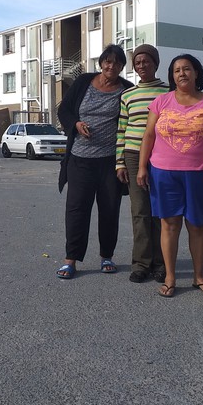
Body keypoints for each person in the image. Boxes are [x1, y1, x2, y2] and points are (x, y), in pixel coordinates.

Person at [137, 54, 203, 298]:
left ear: (197, 73)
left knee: (197, 225)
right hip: (163, 173)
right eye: (176, 70)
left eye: (187, 69)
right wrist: (143, 167)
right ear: (171, 76)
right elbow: (149, 136)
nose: (182, 73)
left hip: (198, 173)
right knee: (169, 225)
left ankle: (199, 277)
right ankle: (171, 277)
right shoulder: (161, 102)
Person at [56, 44, 133, 279]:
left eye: (117, 62)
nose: (112, 66)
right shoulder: (83, 83)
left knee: (110, 209)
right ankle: (71, 260)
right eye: (108, 61)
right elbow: (65, 111)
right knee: (77, 209)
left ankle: (106, 256)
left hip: (110, 161)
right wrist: (76, 125)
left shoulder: (126, 90)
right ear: (101, 63)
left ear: (121, 67)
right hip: (80, 160)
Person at [116, 44, 170, 284]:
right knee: (140, 212)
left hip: (162, 157)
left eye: (146, 61)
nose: (141, 66)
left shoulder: (169, 93)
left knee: (160, 211)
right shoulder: (127, 95)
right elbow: (121, 130)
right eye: (137, 63)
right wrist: (119, 162)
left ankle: (161, 264)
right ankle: (140, 264)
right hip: (133, 155)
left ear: (156, 63)